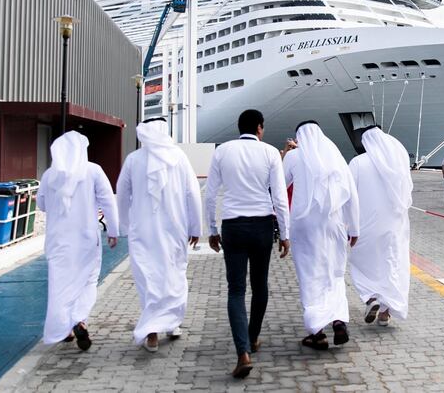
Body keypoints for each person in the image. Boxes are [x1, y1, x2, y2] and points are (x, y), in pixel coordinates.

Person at [205, 109, 291, 379]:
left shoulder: (222, 151)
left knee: (236, 290)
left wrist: (212, 229)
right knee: (260, 284)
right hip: (262, 225)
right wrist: (285, 234)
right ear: (260, 128)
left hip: (233, 225)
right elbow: (279, 197)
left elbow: (210, 195)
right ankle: (252, 338)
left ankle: (242, 351)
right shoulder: (269, 153)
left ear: (239, 126)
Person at [116, 117, 202, 353]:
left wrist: (125, 225)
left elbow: (121, 194)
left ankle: (154, 331)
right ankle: (170, 324)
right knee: (173, 276)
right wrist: (196, 227)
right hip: (175, 229)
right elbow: (192, 193)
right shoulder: (179, 157)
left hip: (143, 231)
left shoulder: (134, 160)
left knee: (149, 278)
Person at [38, 131, 119, 351]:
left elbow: (41, 205)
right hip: (86, 239)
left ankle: (63, 329)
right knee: (88, 280)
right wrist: (113, 230)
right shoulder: (93, 170)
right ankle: (79, 319)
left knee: (60, 285)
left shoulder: (49, 175)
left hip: (58, 241)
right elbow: (108, 201)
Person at [282, 121, 359, 350]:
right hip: (334, 224)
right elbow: (351, 194)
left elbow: (278, 186)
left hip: (304, 226)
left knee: (310, 274)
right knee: (334, 272)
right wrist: (354, 228)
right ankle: (338, 320)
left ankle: (317, 332)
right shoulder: (334, 157)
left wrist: (280, 226)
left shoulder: (294, 158)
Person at [348, 126, 413, 327]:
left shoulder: (358, 163)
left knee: (363, 265)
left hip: (365, 226)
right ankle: (385, 313)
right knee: (390, 265)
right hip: (393, 227)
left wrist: (347, 225)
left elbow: (348, 195)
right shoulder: (397, 164)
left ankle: (371, 298)